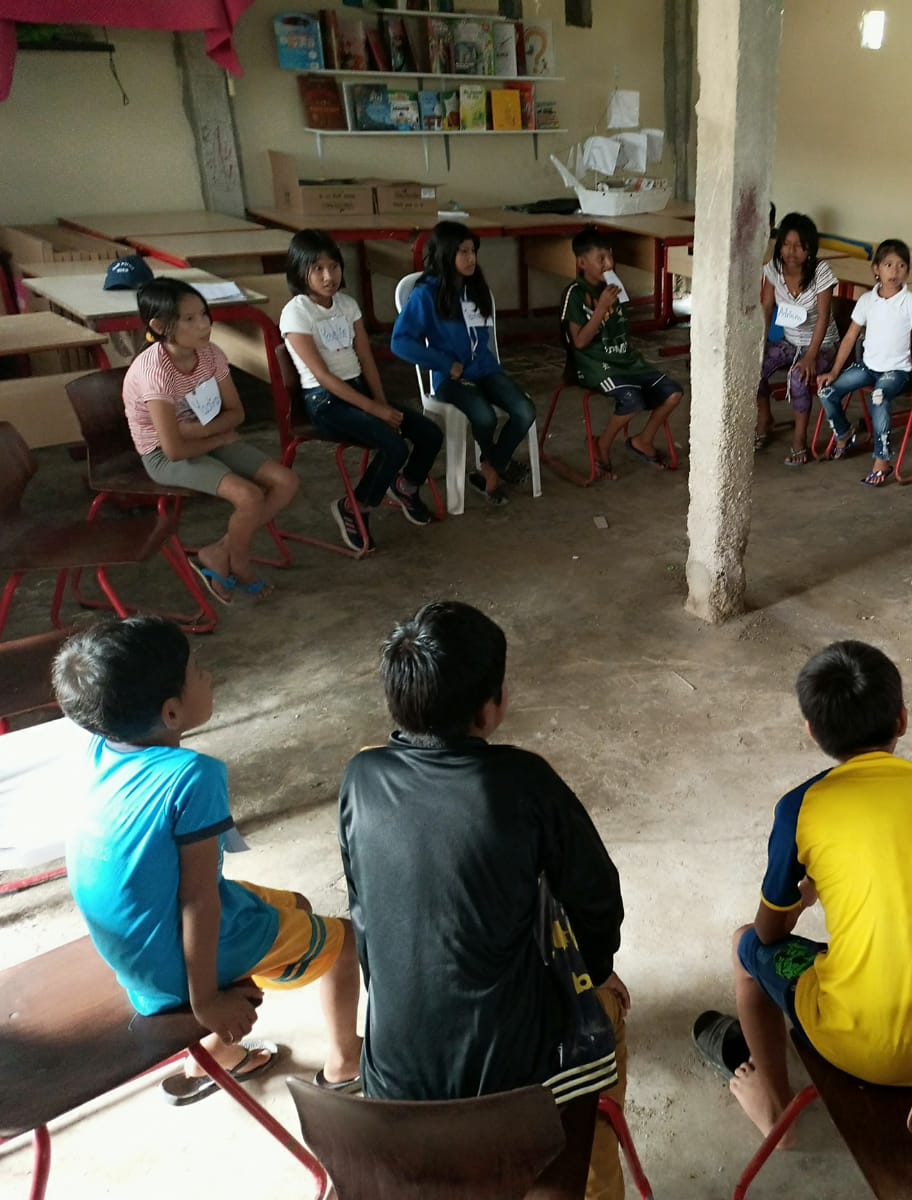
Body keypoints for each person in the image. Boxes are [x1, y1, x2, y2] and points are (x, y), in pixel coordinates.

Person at [337, 600, 631, 1199]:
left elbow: (363, 913)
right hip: (514, 1103)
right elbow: (598, 901)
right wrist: (596, 973)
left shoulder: (359, 779)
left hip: (392, 1095)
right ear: (490, 707)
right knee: (607, 1021)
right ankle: (591, 1181)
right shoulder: (522, 781)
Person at [54, 616, 362, 1104]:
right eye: (197, 671)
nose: (209, 676)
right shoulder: (192, 777)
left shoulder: (99, 748)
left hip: (134, 952)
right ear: (172, 712)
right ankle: (345, 1062)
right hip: (172, 961)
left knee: (297, 905)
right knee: (345, 942)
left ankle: (220, 1054)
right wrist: (206, 1002)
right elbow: (197, 901)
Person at [699, 640, 912, 1143]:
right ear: (902, 720)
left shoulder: (800, 807)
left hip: (859, 1048)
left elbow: (769, 933)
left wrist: (806, 897)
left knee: (743, 945)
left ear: (812, 732)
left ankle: (776, 1113)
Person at [123, 279, 299, 603]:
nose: (204, 324)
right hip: (162, 454)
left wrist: (202, 433)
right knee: (249, 497)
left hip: (209, 435)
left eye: (204, 314)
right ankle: (241, 564)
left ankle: (220, 550)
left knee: (286, 482)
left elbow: (236, 413)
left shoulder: (210, 354)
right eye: (189, 319)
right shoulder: (154, 372)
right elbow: (174, 449)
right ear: (159, 327)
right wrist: (212, 436)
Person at [280, 229, 442, 554]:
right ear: (299, 271)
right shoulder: (297, 312)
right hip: (325, 402)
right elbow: (323, 376)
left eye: (334, 266)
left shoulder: (347, 304)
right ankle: (356, 506)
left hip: (359, 391)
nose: (329, 276)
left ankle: (405, 485)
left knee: (430, 433)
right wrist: (374, 410)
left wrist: (381, 402)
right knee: (394, 447)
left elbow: (366, 358)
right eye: (317, 269)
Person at [391, 220, 536, 507]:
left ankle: (491, 466)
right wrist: (444, 363)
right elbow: (400, 342)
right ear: (446, 254)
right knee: (485, 417)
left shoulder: (475, 286)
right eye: (463, 252)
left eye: (473, 251)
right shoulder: (426, 294)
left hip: (486, 369)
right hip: (451, 378)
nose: (471, 259)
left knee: (525, 410)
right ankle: (497, 468)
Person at [561, 225, 684, 477]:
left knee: (673, 393)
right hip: (594, 366)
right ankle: (602, 444)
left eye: (610, 256)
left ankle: (643, 441)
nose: (608, 264)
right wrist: (601, 308)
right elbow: (579, 342)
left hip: (626, 361)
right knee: (632, 400)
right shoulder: (575, 293)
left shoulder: (614, 287)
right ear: (582, 263)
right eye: (600, 259)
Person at [816, 239, 912, 486]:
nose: (894, 271)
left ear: (907, 271)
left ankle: (882, 459)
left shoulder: (911, 303)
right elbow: (849, 338)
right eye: (888, 265)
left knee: (879, 396)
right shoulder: (867, 300)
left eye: (901, 265)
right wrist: (834, 371)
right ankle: (844, 434)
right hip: (868, 367)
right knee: (827, 391)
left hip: (896, 372)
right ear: (876, 269)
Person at [758, 212, 839, 466]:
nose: (791, 251)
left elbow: (823, 317)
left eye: (799, 246)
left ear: (810, 249)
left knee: (799, 376)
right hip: (790, 341)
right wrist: (760, 345)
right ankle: (765, 420)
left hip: (822, 345)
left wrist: (811, 356)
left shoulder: (821, 272)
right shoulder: (773, 269)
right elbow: (766, 308)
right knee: (752, 367)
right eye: (786, 244)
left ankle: (799, 439)